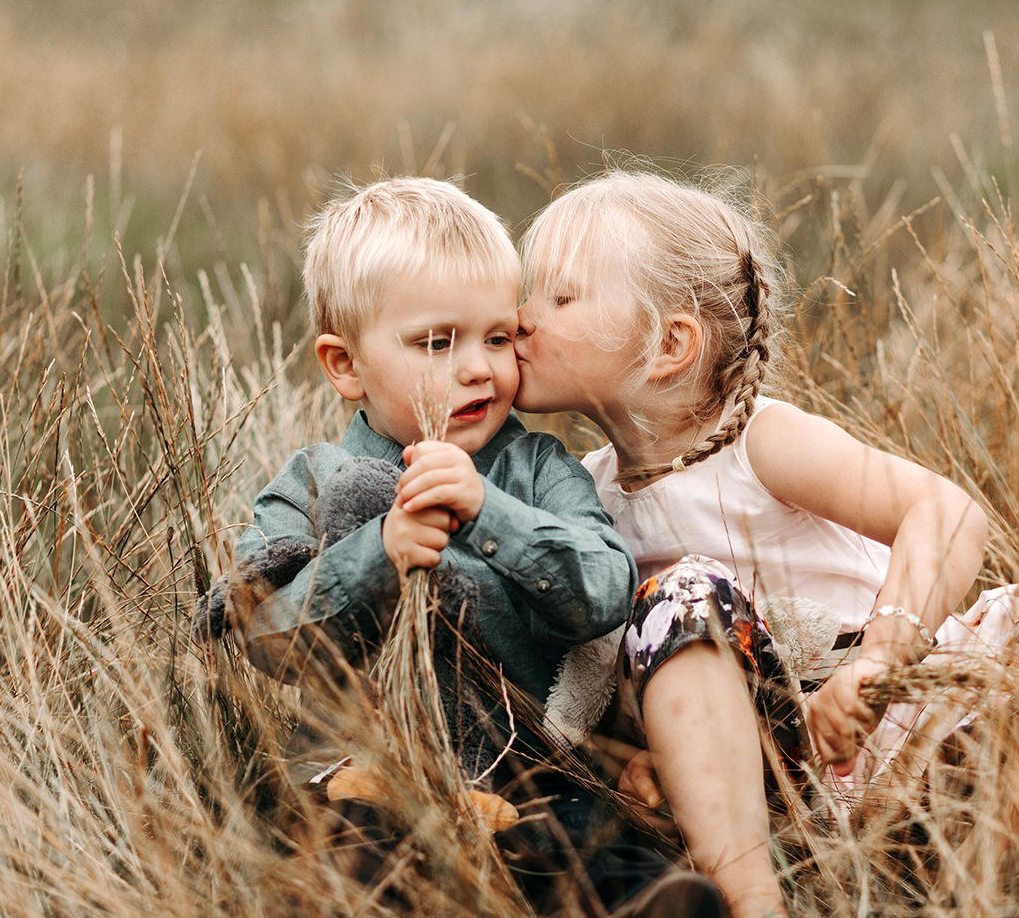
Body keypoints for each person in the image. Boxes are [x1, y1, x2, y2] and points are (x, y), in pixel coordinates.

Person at [197, 176, 730, 918]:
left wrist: (488, 513)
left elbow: (606, 591)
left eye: (499, 337)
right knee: (354, 849)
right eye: (437, 343)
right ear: (344, 364)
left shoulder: (541, 470)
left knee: (608, 851)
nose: (479, 367)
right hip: (361, 771)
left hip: (527, 769)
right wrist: (379, 555)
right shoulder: (311, 484)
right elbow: (264, 637)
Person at [513, 168, 990, 918]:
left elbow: (944, 512)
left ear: (670, 343)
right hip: (775, 775)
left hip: (883, 717)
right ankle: (748, 903)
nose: (521, 319)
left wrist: (878, 663)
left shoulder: (759, 442)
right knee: (670, 608)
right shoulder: (583, 494)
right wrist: (642, 753)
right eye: (524, 293)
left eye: (560, 297)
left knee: (682, 595)